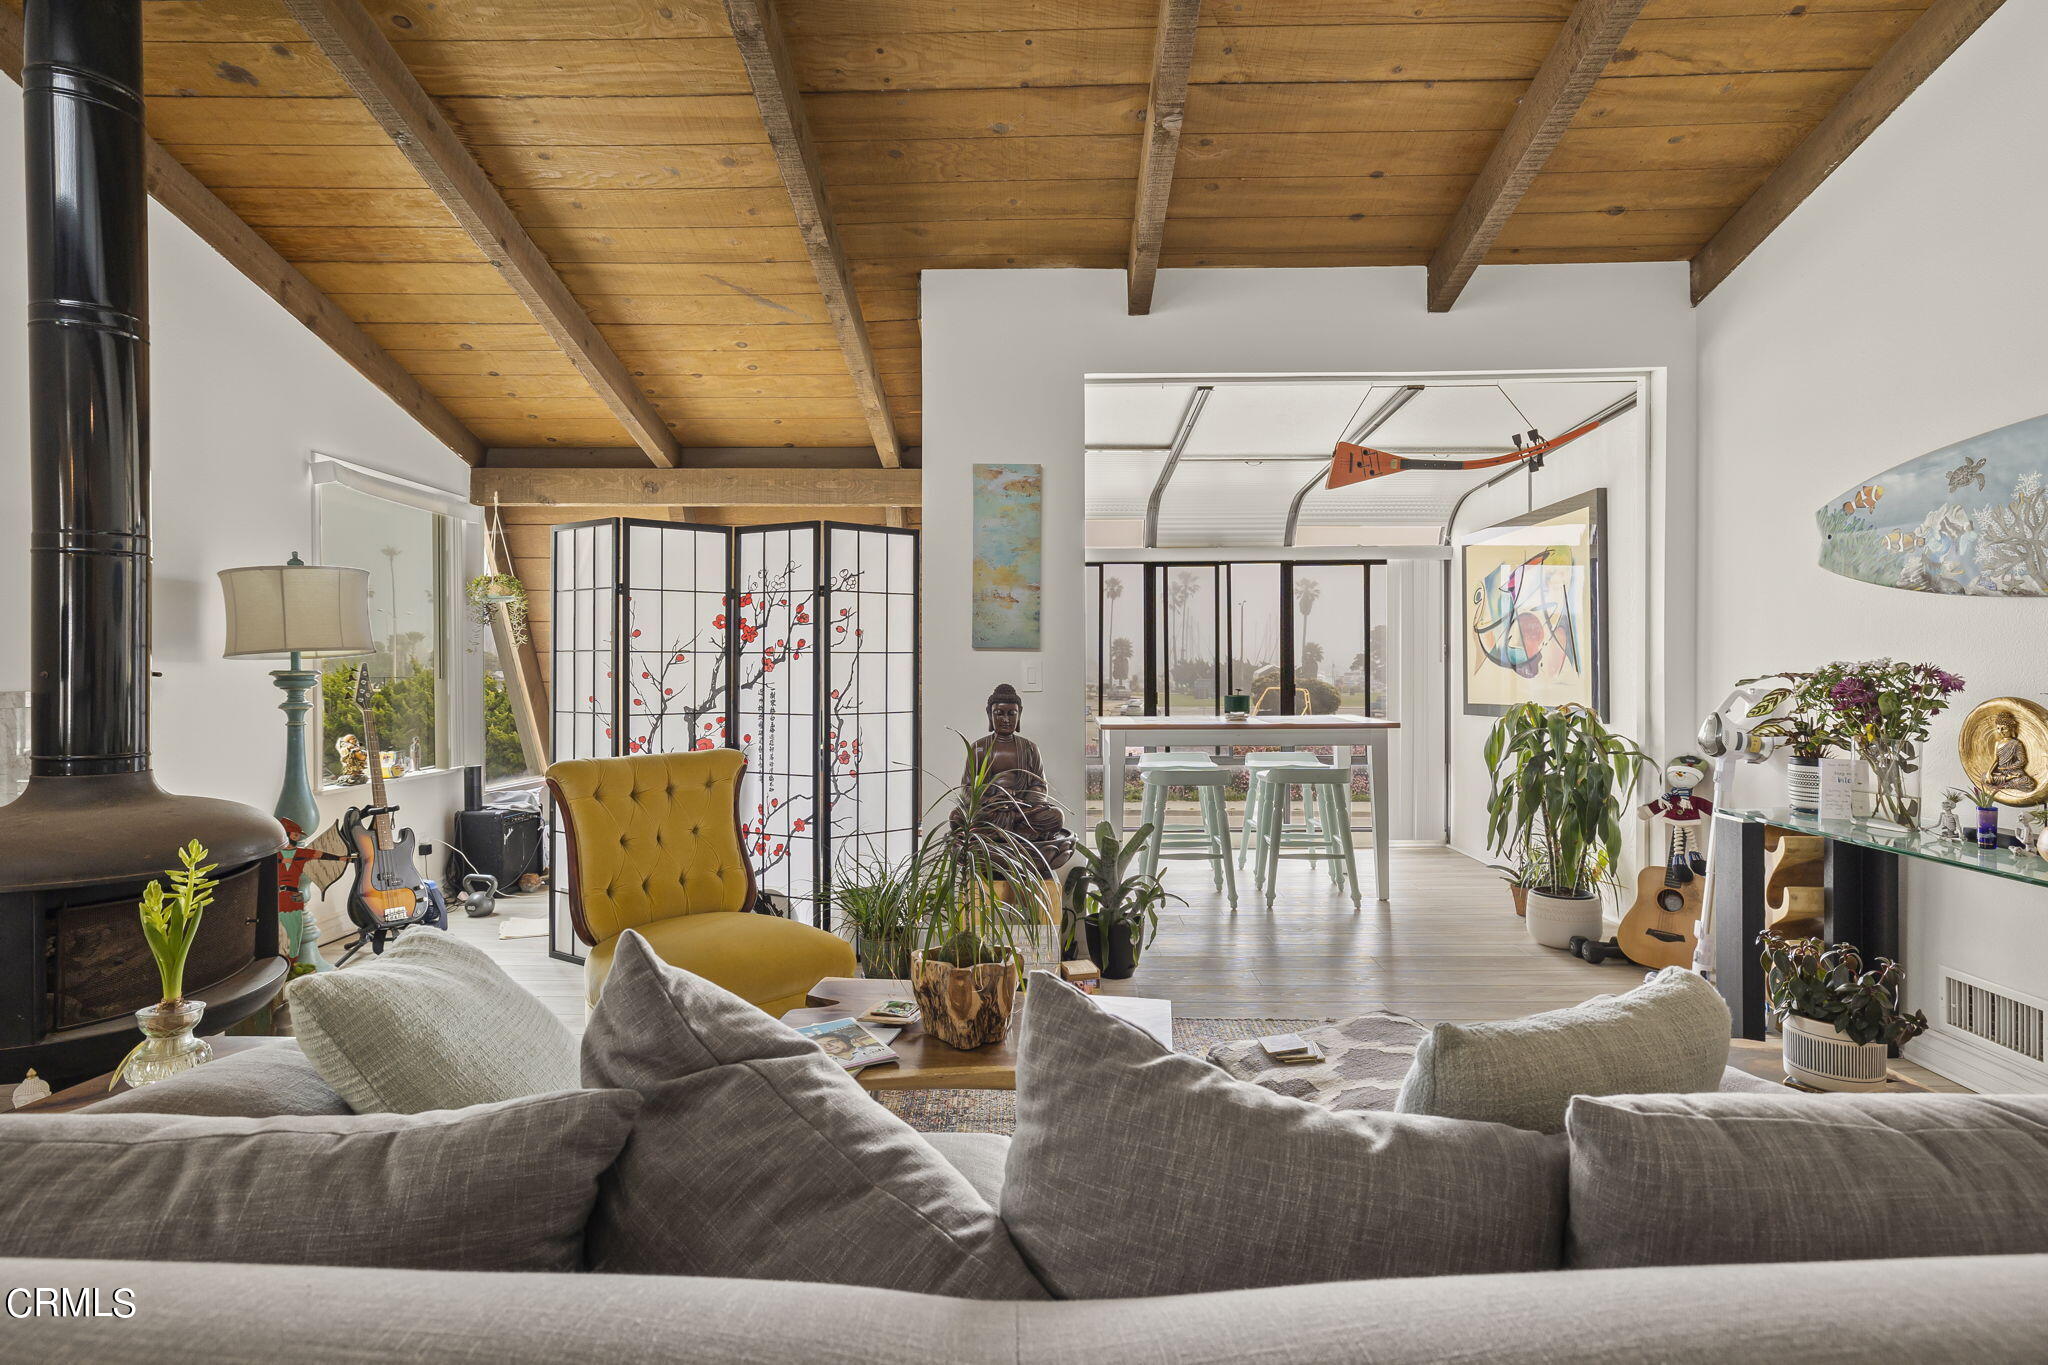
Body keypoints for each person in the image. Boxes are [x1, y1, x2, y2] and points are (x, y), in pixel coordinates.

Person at [953, 683, 1075, 873]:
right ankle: (1018, 838)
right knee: (957, 817)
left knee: (1056, 817)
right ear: (989, 714)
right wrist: (991, 798)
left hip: (1022, 811)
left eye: (1011, 713)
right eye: (999, 713)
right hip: (990, 811)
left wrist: (1018, 801)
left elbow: (1040, 787)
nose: (1005, 719)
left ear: (1019, 715)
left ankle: (1000, 837)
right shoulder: (979, 748)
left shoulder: (1029, 748)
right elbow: (967, 788)